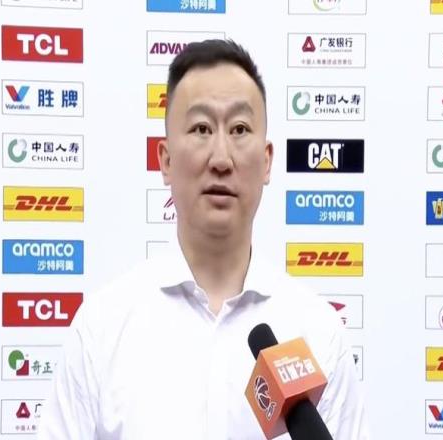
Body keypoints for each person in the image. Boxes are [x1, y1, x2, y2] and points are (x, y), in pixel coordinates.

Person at [38, 39, 368, 439]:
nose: (221, 158)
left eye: (240, 129)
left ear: (267, 161)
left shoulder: (318, 331)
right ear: (165, 160)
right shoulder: (102, 328)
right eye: (201, 129)